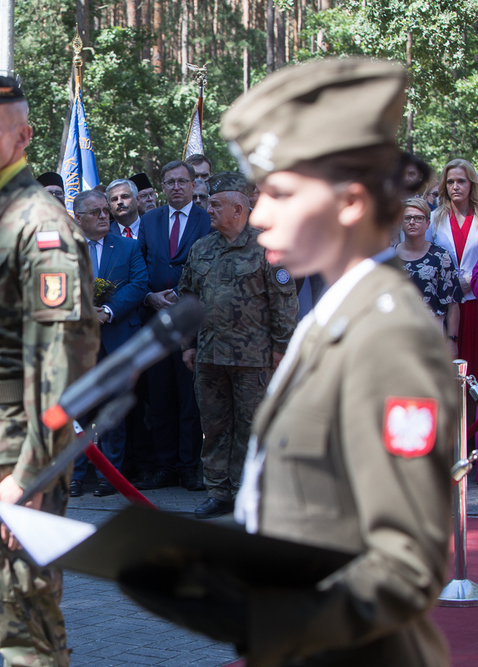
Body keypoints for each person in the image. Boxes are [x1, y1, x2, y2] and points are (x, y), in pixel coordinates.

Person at [132, 57, 457, 667]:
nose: (259, 215)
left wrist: (254, 606)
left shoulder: (388, 337)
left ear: (350, 203)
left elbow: (404, 566)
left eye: (280, 194)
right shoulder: (335, 317)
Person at [0, 72, 99, 666]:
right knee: (4, 613)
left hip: (14, 449)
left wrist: (32, 472)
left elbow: (63, 361)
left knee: (23, 617)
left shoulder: (40, 225)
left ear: (23, 137)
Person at [178, 172, 298, 519]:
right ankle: (219, 492)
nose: (208, 209)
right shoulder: (201, 248)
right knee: (214, 427)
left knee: (252, 429)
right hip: (209, 356)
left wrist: (281, 349)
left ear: (238, 209)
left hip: (254, 358)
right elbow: (187, 298)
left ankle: (249, 492)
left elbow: (285, 304)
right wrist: (188, 344)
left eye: (216, 204)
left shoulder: (269, 247)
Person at [137, 160, 211, 492]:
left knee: (188, 398)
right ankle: (164, 466)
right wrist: (149, 296)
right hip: (154, 320)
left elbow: (208, 266)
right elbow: (139, 264)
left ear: (194, 185)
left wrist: (180, 294)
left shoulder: (206, 219)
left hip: (190, 323)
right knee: (159, 396)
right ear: (163, 187)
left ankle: (189, 467)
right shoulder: (149, 220)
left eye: (182, 181)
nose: (176, 187)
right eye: (170, 182)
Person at [68, 189, 148, 498]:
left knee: (111, 412)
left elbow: (139, 284)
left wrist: (108, 311)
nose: (104, 216)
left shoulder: (128, 246)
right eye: (96, 212)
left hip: (116, 339)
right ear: (78, 217)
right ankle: (74, 475)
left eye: (105, 210)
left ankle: (109, 475)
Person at [429, 159, 478, 374]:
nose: (455, 187)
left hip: (475, 299)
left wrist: (472, 280)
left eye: (461, 181)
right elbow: (425, 256)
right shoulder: (433, 219)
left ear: (471, 184)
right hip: (444, 305)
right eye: (450, 182)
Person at [396, 197, 462, 351]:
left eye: (418, 218)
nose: (412, 222)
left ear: (428, 223)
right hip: (397, 331)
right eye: (407, 218)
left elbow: (452, 304)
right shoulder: (390, 257)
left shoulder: (441, 257)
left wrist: (452, 340)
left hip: (432, 330)